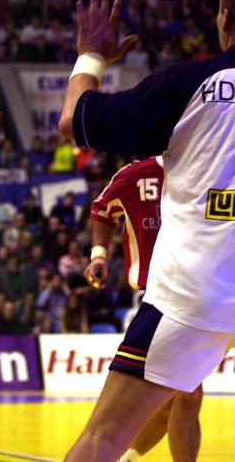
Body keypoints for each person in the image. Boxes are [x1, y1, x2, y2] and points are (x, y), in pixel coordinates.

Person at [59, 0, 235, 461]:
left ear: (223, 19)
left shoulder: (191, 82)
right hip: (201, 295)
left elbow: (74, 122)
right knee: (184, 401)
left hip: (196, 295)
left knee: (102, 438)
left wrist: (91, 57)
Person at [86, 157, 203, 461]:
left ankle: (125, 459)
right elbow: (101, 209)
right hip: (163, 296)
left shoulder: (208, 166)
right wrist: (99, 254)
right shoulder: (136, 174)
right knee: (186, 397)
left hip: (206, 293)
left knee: (173, 403)